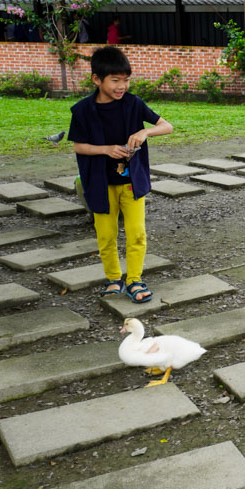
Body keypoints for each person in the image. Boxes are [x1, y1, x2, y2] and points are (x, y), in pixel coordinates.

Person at [68, 46, 174, 304]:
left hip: (131, 182)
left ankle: (134, 279)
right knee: (106, 235)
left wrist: (145, 132)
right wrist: (106, 150)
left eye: (126, 80)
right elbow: (78, 146)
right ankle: (114, 278)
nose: (122, 86)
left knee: (137, 232)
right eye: (115, 80)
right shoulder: (82, 110)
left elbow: (166, 126)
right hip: (100, 184)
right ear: (97, 79)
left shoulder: (134, 104)